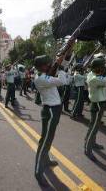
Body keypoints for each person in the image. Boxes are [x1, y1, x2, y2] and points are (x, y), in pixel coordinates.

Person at [33, 55, 68, 184]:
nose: (50, 65)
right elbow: (62, 81)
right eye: (48, 64)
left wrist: (63, 59)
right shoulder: (42, 78)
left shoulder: (43, 75)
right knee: (45, 142)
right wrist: (62, 67)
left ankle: (46, 159)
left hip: (53, 109)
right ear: (43, 66)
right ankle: (38, 171)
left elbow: (55, 76)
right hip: (51, 111)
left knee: (48, 139)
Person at [84, 57, 106, 161]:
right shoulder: (95, 78)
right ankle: (87, 149)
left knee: (93, 126)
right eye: (102, 67)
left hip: (97, 103)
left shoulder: (92, 75)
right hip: (98, 104)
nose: (103, 68)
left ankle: (92, 143)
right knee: (94, 127)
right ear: (98, 68)